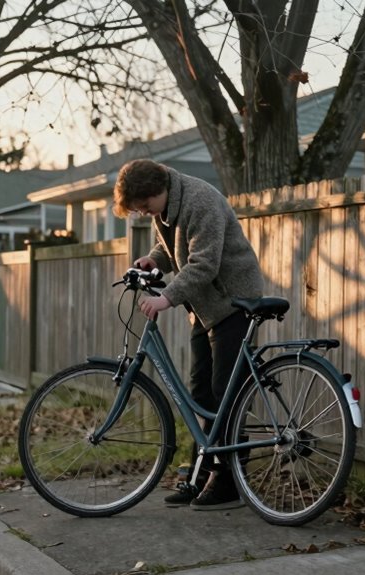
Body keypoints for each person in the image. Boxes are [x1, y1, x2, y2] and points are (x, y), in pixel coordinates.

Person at [112, 159, 263, 511]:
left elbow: (203, 262)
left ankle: (229, 482)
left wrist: (166, 297)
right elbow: (170, 249)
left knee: (225, 393)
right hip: (206, 307)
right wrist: (152, 261)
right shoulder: (166, 208)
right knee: (200, 392)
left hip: (233, 301)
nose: (144, 211)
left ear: (158, 189)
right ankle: (203, 471)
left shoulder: (201, 200)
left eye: (145, 206)